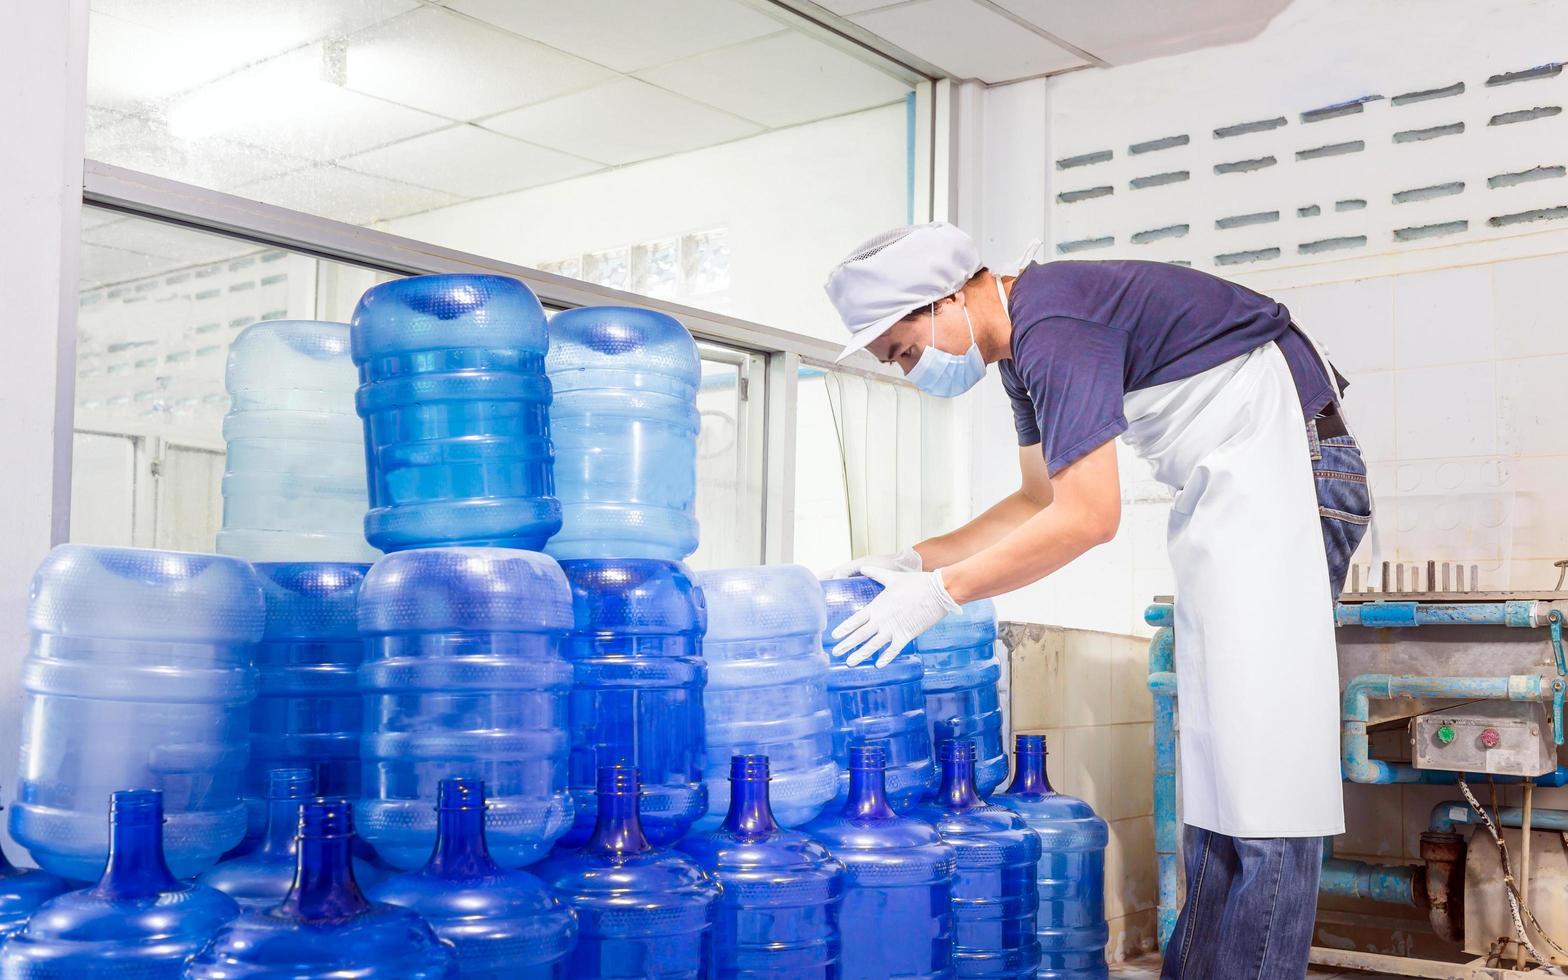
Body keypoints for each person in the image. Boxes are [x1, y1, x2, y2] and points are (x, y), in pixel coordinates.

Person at [820, 222, 1371, 979]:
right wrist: (914, 560)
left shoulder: (1054, 322)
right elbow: (1037, 500)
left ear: (947, 296)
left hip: (1292, 471)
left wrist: (941, 594)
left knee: (1267, 769)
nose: (914, 371)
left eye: (906, 350)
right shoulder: (1022, 356)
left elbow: (1087, 517)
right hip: (1234, 490)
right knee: (1225, 769)